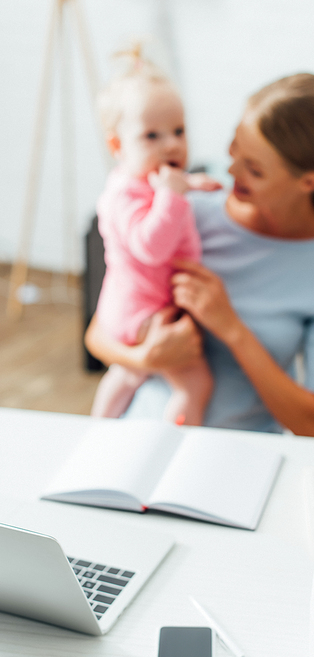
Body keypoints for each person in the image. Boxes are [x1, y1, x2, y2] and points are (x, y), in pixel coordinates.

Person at [85, 73, 314, 438]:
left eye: (254, 169)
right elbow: (99, 332)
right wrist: (146, 359)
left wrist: (232, 329)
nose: (231, 171)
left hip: (242, 453)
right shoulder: (182, 212)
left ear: (309, 182)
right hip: (138, 434)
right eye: (235, 149)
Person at [89, 47, 220, 425]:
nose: (171, 144)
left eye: (179, 131)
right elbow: (151, 244)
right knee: (194, 385)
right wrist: (176, 194)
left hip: (137, 306)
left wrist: (191, 184)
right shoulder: (122, 195)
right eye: (152, 135)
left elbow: (164, 189)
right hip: (140, 311)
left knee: (129, 374)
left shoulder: (145, 182)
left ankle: (98, 428)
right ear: (117, 146)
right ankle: (174, 443)